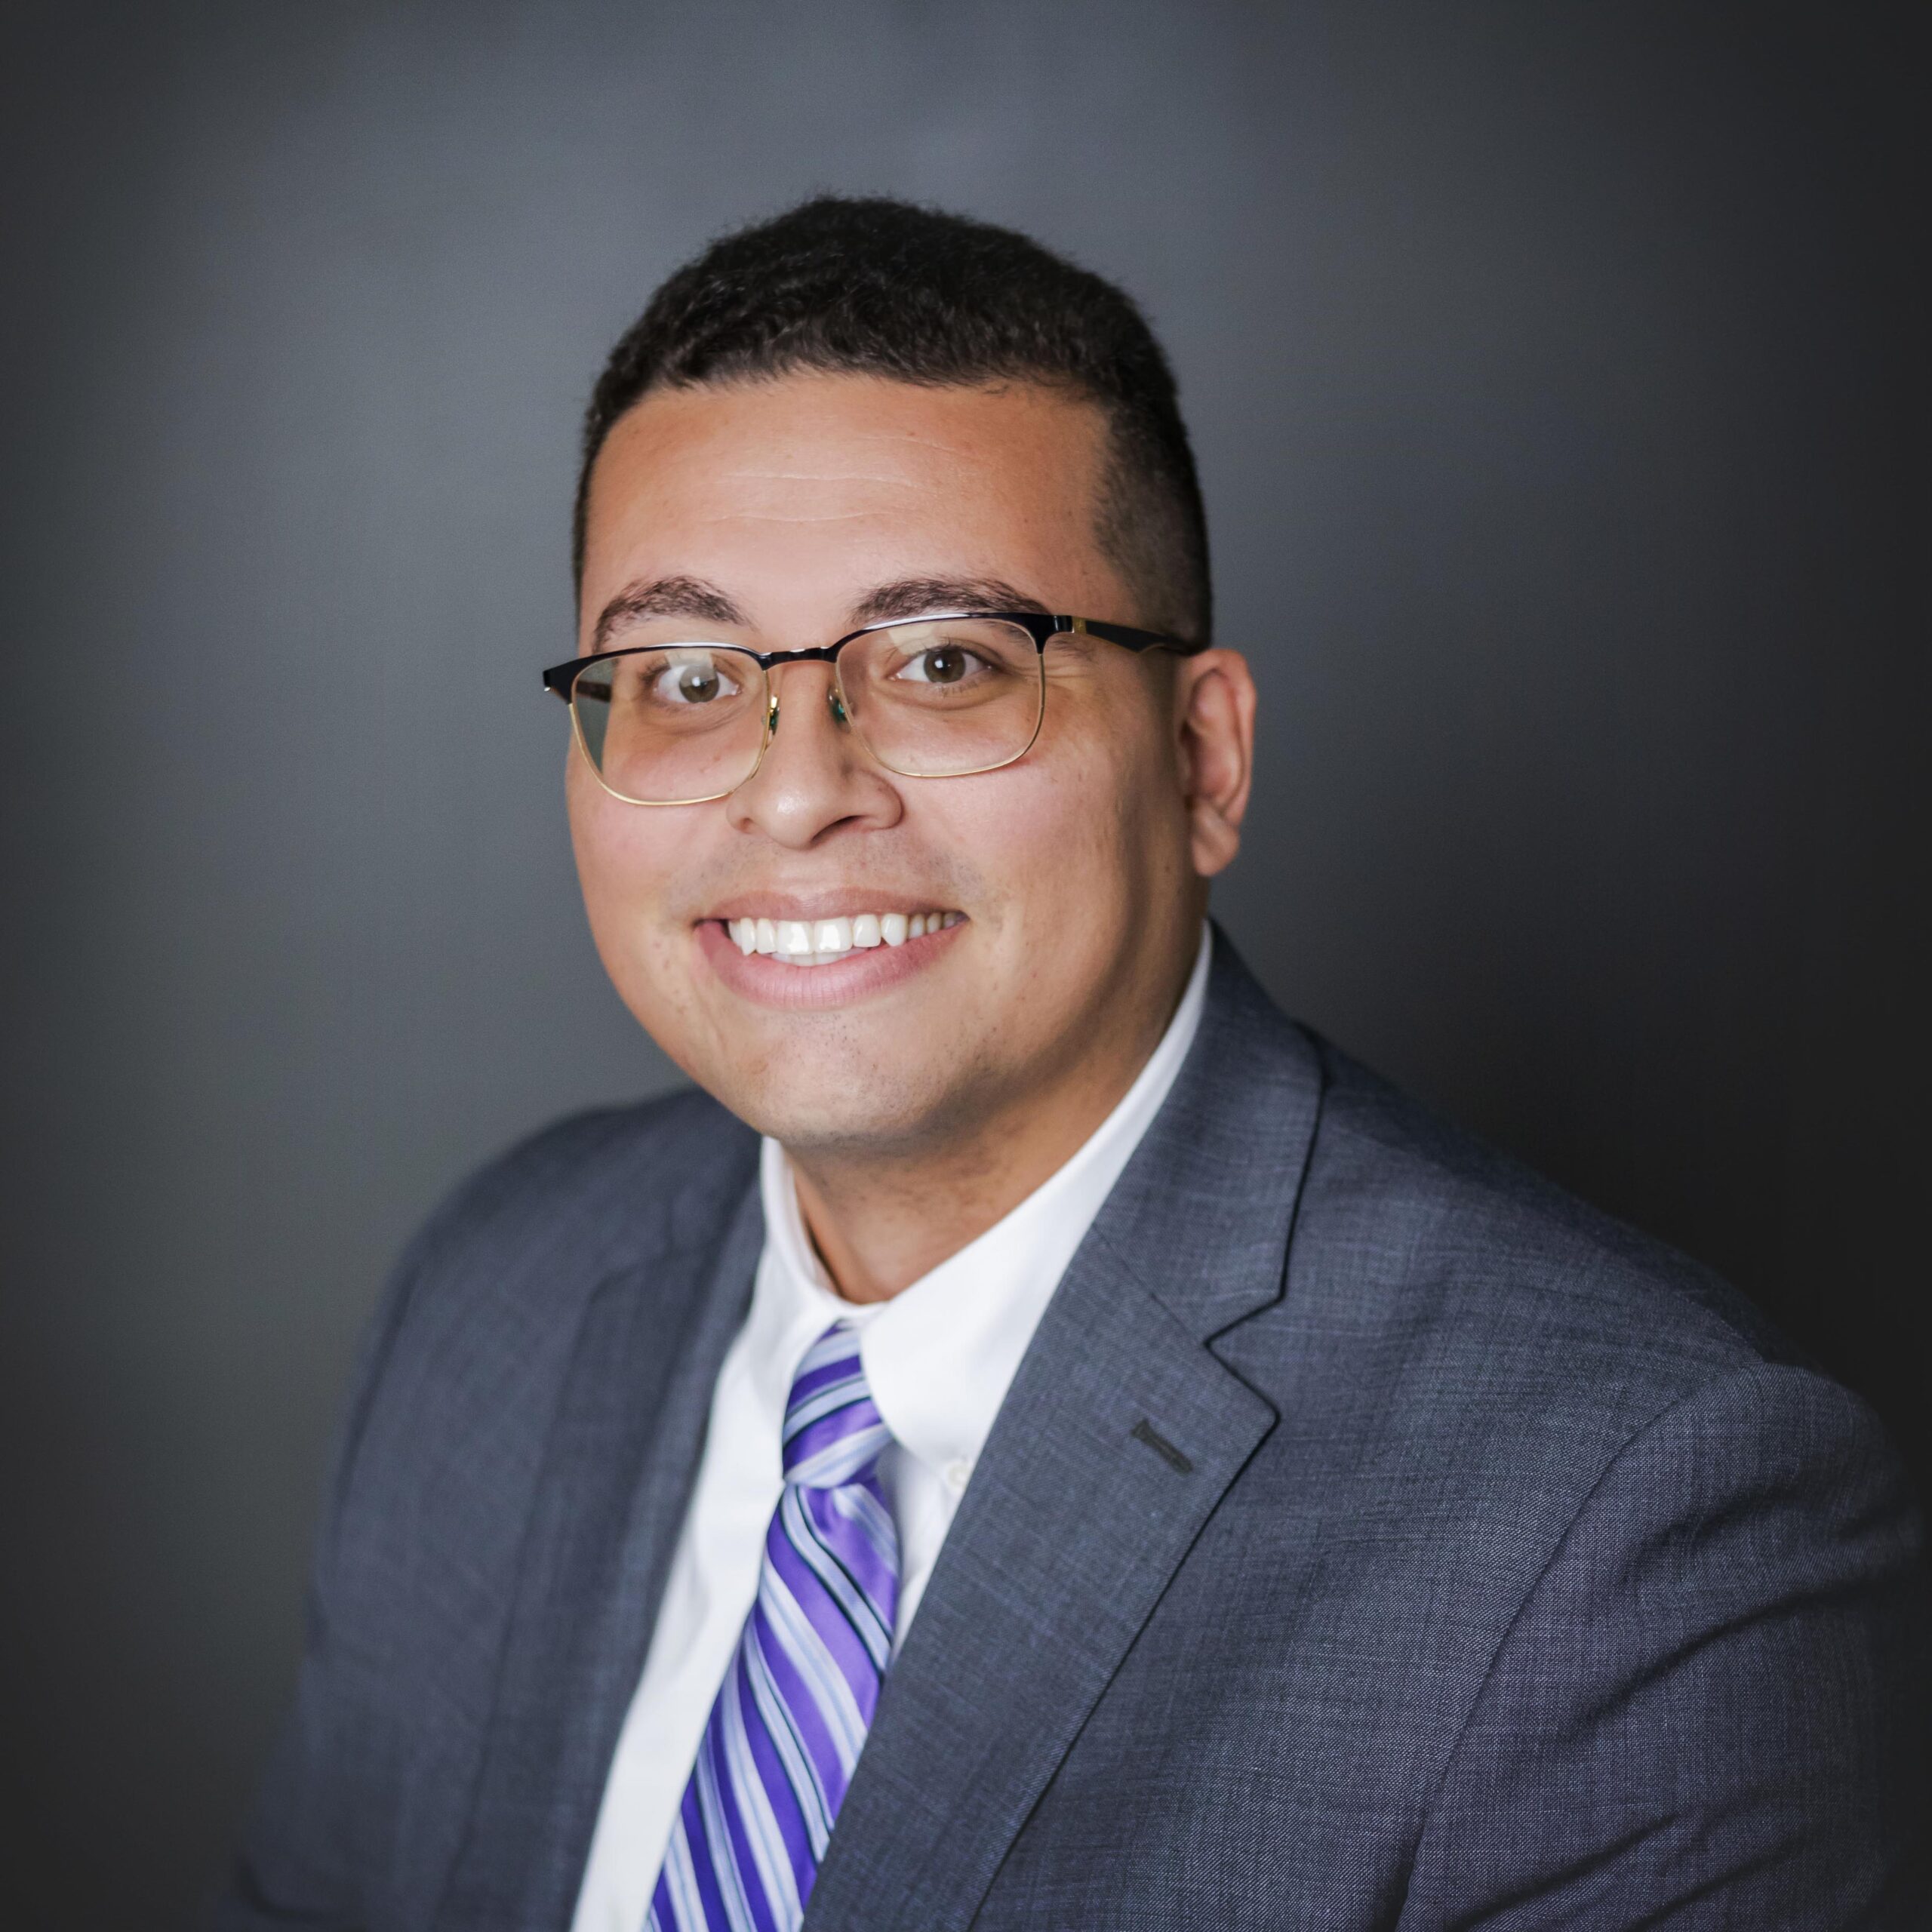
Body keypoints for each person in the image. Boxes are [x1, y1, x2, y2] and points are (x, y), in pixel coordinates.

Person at [219, 196, 1927, 1932]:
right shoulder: (494, 1295)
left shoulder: (1638, 1525)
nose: (794, 788)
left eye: (943, 661)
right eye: (683, 675)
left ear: (1201, 760)